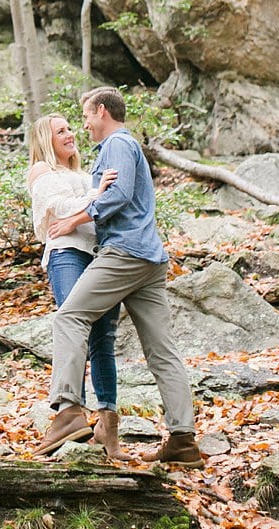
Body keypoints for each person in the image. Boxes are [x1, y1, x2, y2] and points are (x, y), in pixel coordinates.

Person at [35, 87, 204, 467]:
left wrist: (75, 219)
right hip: (151, 260)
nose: (85, 125)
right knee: (162, 351)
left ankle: (68, 412)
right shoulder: (126, 148)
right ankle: (183, 440)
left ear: (101, 111)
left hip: (125, 253)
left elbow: (120, 196)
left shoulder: (116, 144)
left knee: (70, 316)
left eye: (86, 117)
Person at [26, 114, 128, 460]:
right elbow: (62, 209)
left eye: (71, 128)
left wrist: (98, 191)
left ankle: (107, 429)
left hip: (100, 256)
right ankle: (69, 412)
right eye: (61, 131)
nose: (70, 134)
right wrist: (97, 194)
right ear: (45, 139)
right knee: (73, 325)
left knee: (104, 341)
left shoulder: (85, 174)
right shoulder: (42, 171)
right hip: (68, 253)